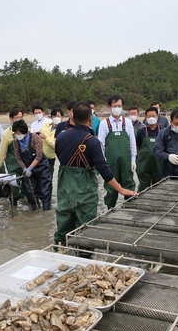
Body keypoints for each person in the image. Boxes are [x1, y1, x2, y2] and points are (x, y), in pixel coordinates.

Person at [54, 102, 138, 247]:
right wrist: (121, 189)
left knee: (64, 221)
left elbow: (61, 158)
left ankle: (59, 252)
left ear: (73, 117)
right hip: (85, 189)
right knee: (85, 226)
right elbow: (104, 170)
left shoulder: (61, 137)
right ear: (89, 118)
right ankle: (84, 256)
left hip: (64, 188)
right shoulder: (92, 141)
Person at [98, 95, 137, 209]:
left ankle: (130, 207)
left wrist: (133, 160)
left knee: (129, 182)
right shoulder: (104, 124)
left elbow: (132, 143)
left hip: (126, 161)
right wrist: (103, 162)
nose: (117, 108)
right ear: (109, 107)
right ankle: (110, 208)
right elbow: (101, 145)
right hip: (111, 162)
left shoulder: (128, 122)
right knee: (111, 187)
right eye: (115, 106)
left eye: (119, 106)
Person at [12, 120, 52, 211]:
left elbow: (39, 155)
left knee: (45, 190)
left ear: (24, 132)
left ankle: (46, 213)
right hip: (27, 169)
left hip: (41, 168)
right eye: (15, 133)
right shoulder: (15, 142)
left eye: (18, 132)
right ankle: (36, 211)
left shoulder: (35, 138)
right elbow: (18, 158)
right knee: (31, 192)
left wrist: (30, 167)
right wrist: (25, 168)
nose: (16, 134)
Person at [0, 108, 25, 204]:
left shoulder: (28, 130)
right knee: (14, 186)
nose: (19, 119)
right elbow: (1, 151)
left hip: (26, 164)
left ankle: (28, 210)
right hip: (12, 164)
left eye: (21, 117)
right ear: (11, 119)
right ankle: (13, 204)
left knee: (28, 187)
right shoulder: (7, 134)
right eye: (16, 117)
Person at [135, 107, 163, 191]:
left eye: (153, 116)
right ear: (146, 117)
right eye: (149, 116)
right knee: (143, 185)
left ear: (157, 116)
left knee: (159, 185)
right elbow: (137, 147)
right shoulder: (141, 131)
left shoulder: (162, 131)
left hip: (158, 164)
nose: (151, 118)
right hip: (144, 164)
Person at [38, 108, 63, 180]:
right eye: (54, 116)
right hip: (39, 157)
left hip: (49, 158)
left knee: (48, 179)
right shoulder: (46, 125)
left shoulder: (63, 130)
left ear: (62, 117)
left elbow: (56, 145)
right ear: (51, 117)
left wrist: (45, 138)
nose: (56, 118)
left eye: (58, 116)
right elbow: (40, 134)